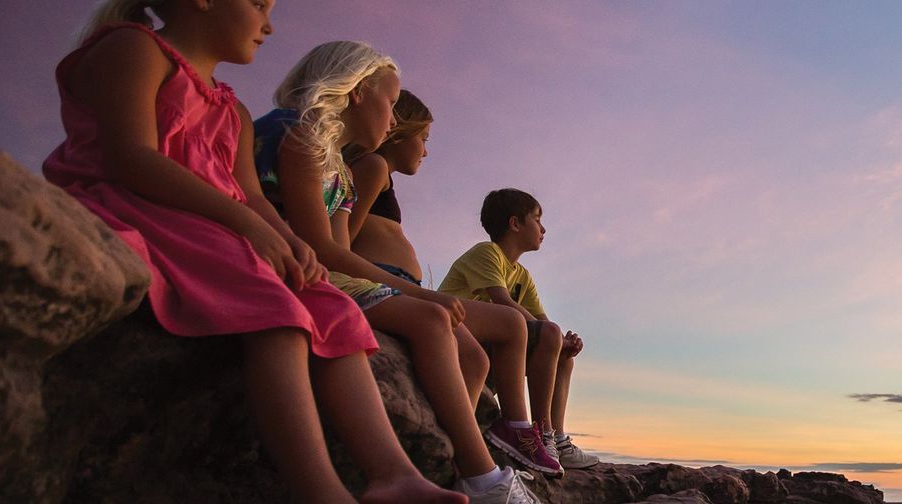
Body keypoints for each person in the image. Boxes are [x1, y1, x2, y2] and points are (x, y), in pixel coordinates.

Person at [42, 1, 463, 502]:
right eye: (259, 4)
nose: (269, 24)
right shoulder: (135, 48)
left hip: (214, 224)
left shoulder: (233, 111)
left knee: (331, 305)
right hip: (142, 207)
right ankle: (323, 491)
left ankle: (393, 473)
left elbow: (253, 198)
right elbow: (130, 157)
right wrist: (245, 224)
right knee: (279, 314)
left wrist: (289, 245)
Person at [252, 41, 548, 499]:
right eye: (390, 103)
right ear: (357, 92)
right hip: (297, 265)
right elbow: (324, 250)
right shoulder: (305, 136)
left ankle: (439, 470)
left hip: (334, 268)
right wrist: (425, 296)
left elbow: (334, 246)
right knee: (433, 319)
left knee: (473, 356)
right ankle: (485, 477)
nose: (394, 120)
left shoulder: (342, 174)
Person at [345, 92, 571, 476]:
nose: (427, 151)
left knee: (503, 347)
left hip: (400, 283)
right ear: (399, 131)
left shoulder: (381, 174)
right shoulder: (373, 167)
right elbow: (342, 240)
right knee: (513, 324)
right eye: (425, 138)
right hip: (384, 281)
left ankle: (485, 444)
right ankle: (514, 432)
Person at [439, 188, 601, 470]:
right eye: (537, 220)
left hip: (500, 344)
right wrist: (553, 335)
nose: (543, 228)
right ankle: (539, 434)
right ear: (515, 224)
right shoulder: (487, 253)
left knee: (561, 353)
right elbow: (502, 302)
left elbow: (542, 321)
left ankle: (557, 440)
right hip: (463, 339)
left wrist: (565, 343)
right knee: (549, 335)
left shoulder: (522, 275)